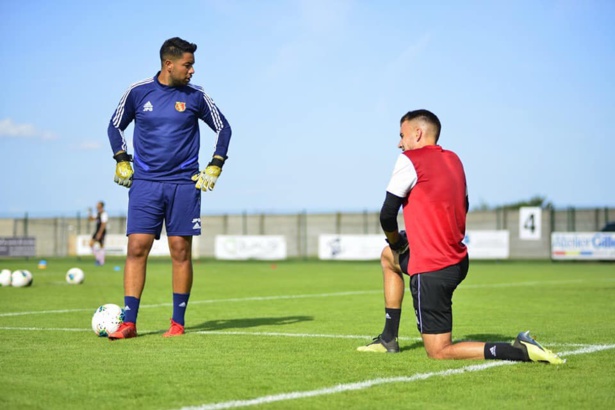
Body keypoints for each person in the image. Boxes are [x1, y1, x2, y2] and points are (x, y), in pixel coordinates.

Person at [357, 109, 564, 364]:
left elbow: (387, 215)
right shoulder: (454, 160)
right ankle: (388, 339)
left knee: (439, 350)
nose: (399, 143)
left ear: (418, 133)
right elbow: (461, 207)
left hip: (432, 268)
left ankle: (518, 350)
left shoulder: (410, 159)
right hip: (457, 262)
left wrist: (398, 241)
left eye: (402, 135)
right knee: (389, 258)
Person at [106, 37, 232, 340]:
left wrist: (215, 165)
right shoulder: (138, 92)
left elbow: (224, 128)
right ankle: (129, 323)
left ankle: (177, 323)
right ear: (169, 64)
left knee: (180, 251)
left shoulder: (197, 96)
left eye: (192, 66)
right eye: (187, 65)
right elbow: (114, 125)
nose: (191, 71)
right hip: (145, 184)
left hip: (184, 185)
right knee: (137, 247)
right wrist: (121, 159)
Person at [88, 201, 108, 266]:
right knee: (91, 244)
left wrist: (100, 233)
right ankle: (99, 259)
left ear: (101, 206)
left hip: (101, 231)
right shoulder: (98, 213)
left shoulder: (104, 213)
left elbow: (103, 224)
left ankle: (101, 261)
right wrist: (89, 213)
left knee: (101, 245)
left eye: (98, 204)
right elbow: (91, 219)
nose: (96, 205)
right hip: (97, 230)